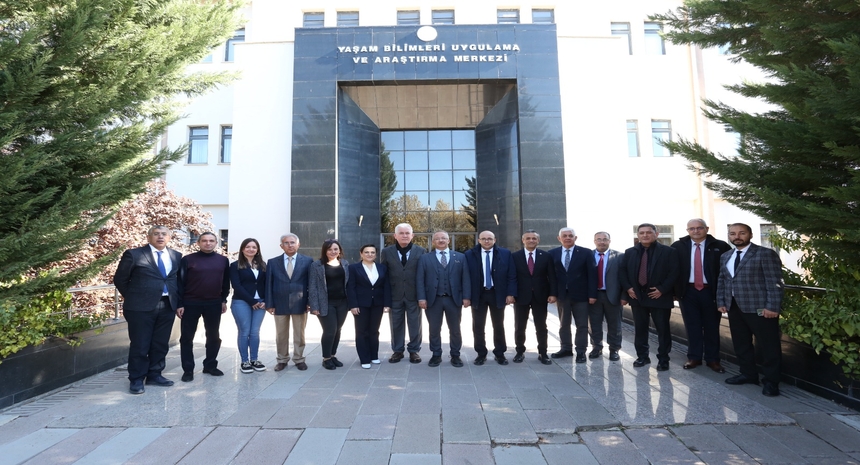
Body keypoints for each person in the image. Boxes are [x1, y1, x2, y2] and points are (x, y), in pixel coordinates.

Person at [114, 226, 182, 394]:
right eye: (156, 234)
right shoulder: (134, 254)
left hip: (167, 305)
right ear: (149, 236)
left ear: (169, 237)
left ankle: (155, 374)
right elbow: (120, 279)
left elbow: (177, 280)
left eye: (164, 234)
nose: (160, 237)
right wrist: (134, 297)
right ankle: (136, 379)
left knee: (160, 343)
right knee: (140, 344)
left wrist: (179, 302)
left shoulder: (176, 256)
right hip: (139, 307)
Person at [718, 223, 784, 397]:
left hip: (761, 308)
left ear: (750, 234)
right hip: (734, 307)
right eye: (732, 233)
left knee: (768, 345)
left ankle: (771, 382)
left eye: (741, 233)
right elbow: (723, 281)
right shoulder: (726, 256)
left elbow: (774, 282)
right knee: (741, 344)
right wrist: (721, 301)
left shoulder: (765, 254)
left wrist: (772, 306)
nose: (737, 236)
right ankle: (748, 374)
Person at [671, 219, 731, 373]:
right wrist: (674, 292)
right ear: (687, 230)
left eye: (699, 228)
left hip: (711, 292)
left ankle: (713, 360)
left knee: (712, 326)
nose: (695, 231)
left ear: (707, 229)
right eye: (692, 228)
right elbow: (672, 270)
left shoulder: (720, 246)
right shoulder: (678, 247)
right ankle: (694, 357)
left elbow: (727, 271)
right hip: (688, 292)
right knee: (692, 326)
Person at [620, 223, 679, 371]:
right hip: (637, 297)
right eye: (641, 233)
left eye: (648, 232)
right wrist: (628, 288)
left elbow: (675, 273)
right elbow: (623, 272)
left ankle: (663, 359)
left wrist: (662, 289)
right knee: (640, 329)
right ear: (638, 235)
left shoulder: (669, 251)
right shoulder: (629, 252)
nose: (645, 235)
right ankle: (642, 357)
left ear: (656, 234)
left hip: (659, 296)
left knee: (663, 330)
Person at [176, 232, 230, 382]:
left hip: (214, 303)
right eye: (204, 241)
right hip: (190, 303)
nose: (208, 243)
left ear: (216, 243)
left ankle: (210, 365)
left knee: (213, 336)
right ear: (198, 243)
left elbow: (226, 282)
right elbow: (180, 283)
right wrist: (179, 303)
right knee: (187, 337)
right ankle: (188, 369)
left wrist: (223, 300)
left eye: (211, 241)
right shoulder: (187, 260)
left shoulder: (223, 261)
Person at [416, 230, 471, 368]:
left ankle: (455, 354)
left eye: (444, 238)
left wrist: (466, 297)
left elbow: (466, 279)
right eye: (438, 239)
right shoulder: (425, 258)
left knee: (455, 328)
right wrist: (421, 298)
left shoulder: (460, 257)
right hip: (433, 300)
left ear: (449, 240)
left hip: (454, 299)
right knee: (434, 329)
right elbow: (419, 280)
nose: (441, 240)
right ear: (433, 242)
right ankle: (436, 354)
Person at [464, 230, 517, 365]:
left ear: (495, 240)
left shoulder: (505, 254)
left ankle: (500, 353)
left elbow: (511, 275)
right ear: (479, 240)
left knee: (498, 325)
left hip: (497, 294)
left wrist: (510, 294)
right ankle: (481, 354)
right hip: (478, 295)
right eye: (484, 239)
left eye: (490, 239)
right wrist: (466, 296)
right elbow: (465, 277)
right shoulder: (470, 255)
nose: (487, 241)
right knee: (478, 326)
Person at [379, 223, 426, 363]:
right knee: (396, 324)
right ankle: (397, 351)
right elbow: (384, 274)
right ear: (395, 236)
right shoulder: (387, 252)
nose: (404, 235)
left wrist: (423, 296)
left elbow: (424, 274)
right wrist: (385, 298)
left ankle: (414, 351)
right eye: (401, 233)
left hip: (414, 295)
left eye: (407, 233)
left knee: (415, 324)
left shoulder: (421, 251)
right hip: (395, 295)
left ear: (412, 235)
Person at [549, 227, 597, 363]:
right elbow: (550, 276)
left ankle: (581, 351)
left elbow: (592, 275)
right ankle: (566, 348)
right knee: (564, 324)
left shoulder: (586, 253)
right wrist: (552, 294)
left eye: (571, 235)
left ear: (575, 238)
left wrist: (592, 294)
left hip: (582, 296)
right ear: (559, 238)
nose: (568, 237)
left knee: (582, 325)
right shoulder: (552, 253)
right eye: (564, 235)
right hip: (562, 296)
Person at [265, 233, 312, 371]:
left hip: (300, 302)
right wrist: (269, 303)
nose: (290, 245)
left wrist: (310, 302)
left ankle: (299, 359)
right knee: (281, 334)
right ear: (281, 246)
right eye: (286, 243)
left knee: (300, 333)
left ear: (298, 244)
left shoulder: (308, 261)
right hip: (279, 303)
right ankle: (282, 359)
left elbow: (311, 283)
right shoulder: (273, 262)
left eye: (292, 242)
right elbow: (269, 284)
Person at [511, 230, 558, 364]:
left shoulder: (546, 256)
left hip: (540, 296)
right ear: (523, 240)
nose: (531, 240)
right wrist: (511, 294)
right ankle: (520, 351)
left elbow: (552, 277)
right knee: (520, 326)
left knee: (541, 326)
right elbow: (512, 277)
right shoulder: (515, 256)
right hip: (521, 296)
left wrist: (553, 293)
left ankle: (543, 353)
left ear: (538, 241)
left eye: (534, 238)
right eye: (528, 238)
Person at [347, 244, 392, 369]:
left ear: (376, 254)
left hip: (377, 304)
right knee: (362, 332)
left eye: (372, 252)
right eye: (366, 252)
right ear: (361, 254)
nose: (369, 254)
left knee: (374, 331)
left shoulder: (382, 268)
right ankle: (364, 358)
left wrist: (387, 304)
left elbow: (386, 286)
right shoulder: (354, 268)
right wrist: (353, 305)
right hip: (361, 305)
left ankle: (374, 356)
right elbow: (351, 287)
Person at [308, 239, 350, 370]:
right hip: (325, 303)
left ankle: (332, 355)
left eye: (335, 249)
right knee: (330, 330)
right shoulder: (317, 265)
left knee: (338, 329)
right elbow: (313, 286)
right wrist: (314, 306)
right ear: (325, 251)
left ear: (340, 251)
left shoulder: (345, 263)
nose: (333, 252)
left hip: (343, 302)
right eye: (330, 249)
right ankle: (326, 358)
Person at [229, 238, 268, 374]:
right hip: (242, 302)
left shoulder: (263, 265)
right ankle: (245, 361)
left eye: (254, 247)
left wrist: (266, 301)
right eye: (248, 247)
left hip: (261, 302)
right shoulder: (235, 265)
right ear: (242, 249)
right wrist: (252, 301)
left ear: (257, 250)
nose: (251, 249)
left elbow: (266, 284)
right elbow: (237, 286)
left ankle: (254, 360)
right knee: (244, 332)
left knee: (255, 332)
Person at [589, 232, 625, 361]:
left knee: (615, 325)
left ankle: (614, 349)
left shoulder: (620, 256)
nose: (602, 242)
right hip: (594, 296)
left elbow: (624, 278)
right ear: (594, 241)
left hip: (613, 296)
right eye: (599, 239)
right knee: (594, 324)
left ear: (609, 241)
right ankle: (596, 347)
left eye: (605, 239)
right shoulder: (589, 256)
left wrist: (624, 296)